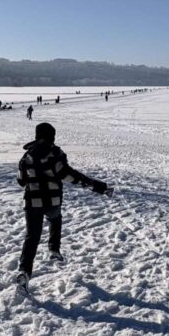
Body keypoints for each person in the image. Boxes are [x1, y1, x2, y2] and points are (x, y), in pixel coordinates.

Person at [14, 122, 112, 290]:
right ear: (51, 136)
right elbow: (69, 176)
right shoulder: (56, 154)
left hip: (32, 202)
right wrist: (99, 187)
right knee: (55, 219)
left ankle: (24, 271)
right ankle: (54, 249)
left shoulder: (26, 156)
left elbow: (21, 181)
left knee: (32, 237)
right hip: (52, 200)